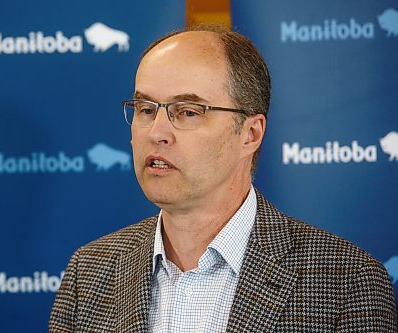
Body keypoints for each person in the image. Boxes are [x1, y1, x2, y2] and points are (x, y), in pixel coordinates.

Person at [49, 25, 397, 332]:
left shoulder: (346, 281)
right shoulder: (89, 271)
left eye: (187, 111)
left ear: (250, 134)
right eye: (145, 109)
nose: (157, 133)